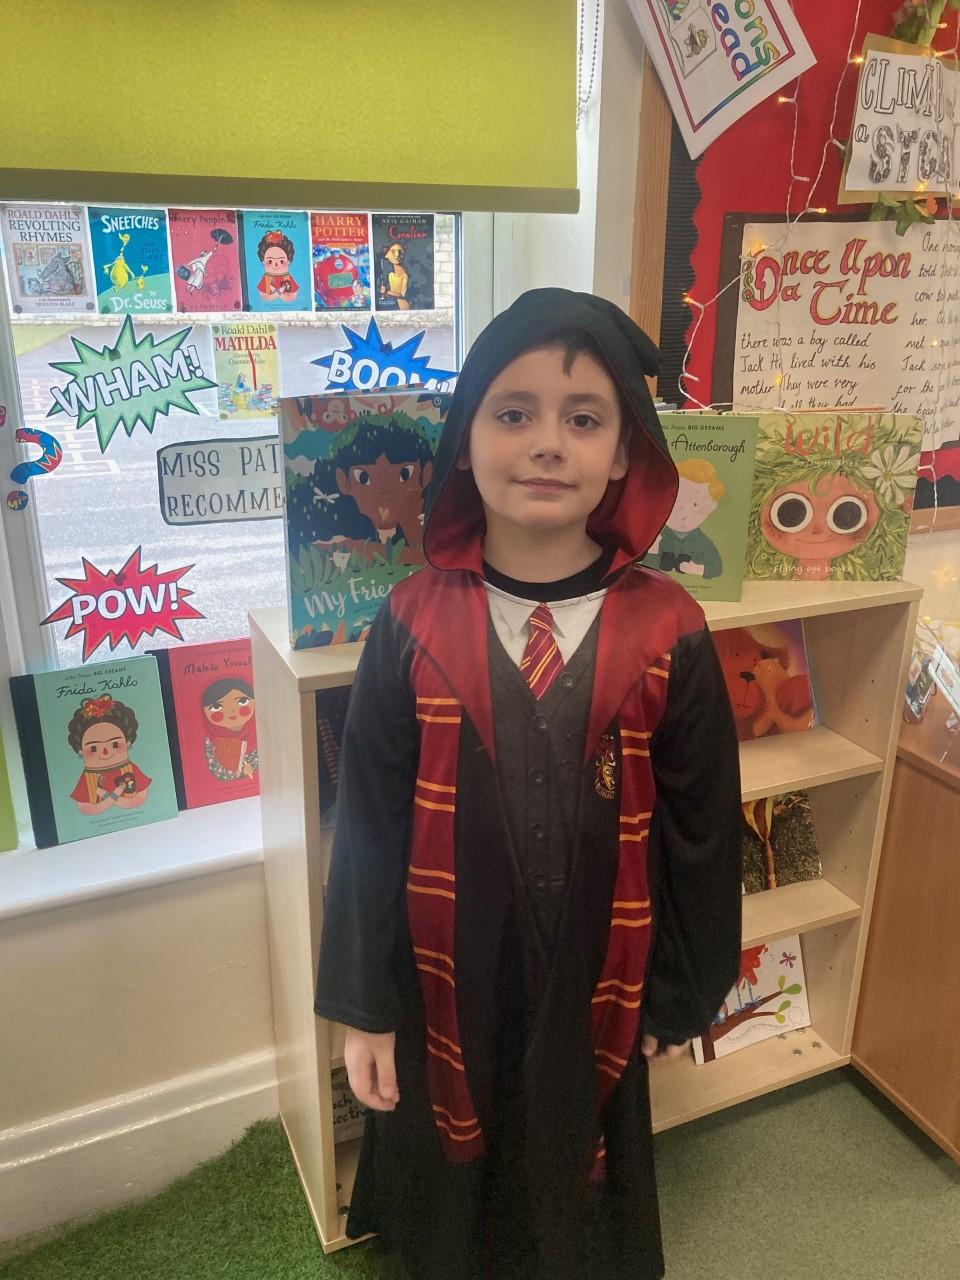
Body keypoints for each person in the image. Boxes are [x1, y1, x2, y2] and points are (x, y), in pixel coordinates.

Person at [314, 288, 742, 1280]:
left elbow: (702, 833)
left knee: (578, 1193)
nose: (548, 443)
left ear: (625, 453)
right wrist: (364, 1006)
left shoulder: (670, 630)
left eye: (583, 419)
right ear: (465, 442)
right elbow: (368, 829)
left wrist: (678, 993)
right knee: (455, 1199)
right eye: (514, 413)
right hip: (445, 973)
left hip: (601, 969)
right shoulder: (409, 620)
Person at [642, 457, 724, 579]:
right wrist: (653, 551)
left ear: (711, 507)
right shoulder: (657, 538)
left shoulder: (702, 543)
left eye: (695, 504)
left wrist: (699, 570)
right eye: (674, 502)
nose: (683, 514)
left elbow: (717, 568)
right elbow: (646, 571)